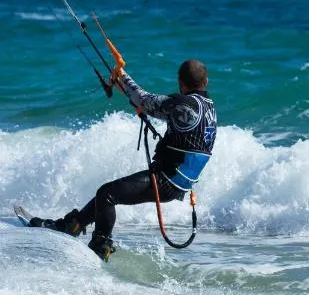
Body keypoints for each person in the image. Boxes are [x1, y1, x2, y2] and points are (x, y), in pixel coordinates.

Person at [29, 59, 217, 262]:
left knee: (107, 195)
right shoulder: (210, 109)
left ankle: (100, 248)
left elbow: (144, 100)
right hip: (180, 182)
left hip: (166, 179)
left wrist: (123, 77)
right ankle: (73, 225)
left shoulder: (184, 105)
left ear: (181, 83)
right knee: (106, 195)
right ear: (205, 81)